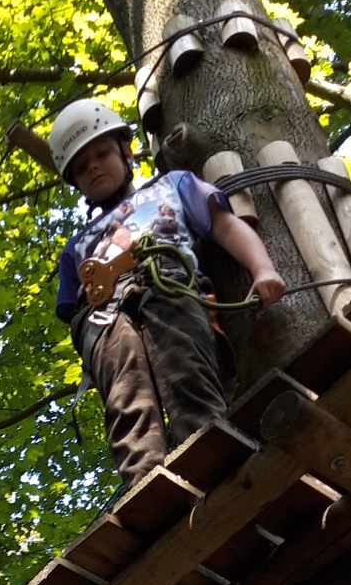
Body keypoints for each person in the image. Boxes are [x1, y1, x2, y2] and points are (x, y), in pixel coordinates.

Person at [29, 98, 286, 488]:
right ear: (76, 182)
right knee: (126, 397)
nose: (93, 167)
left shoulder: (173, 186)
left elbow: (226, 226)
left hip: (168, 287)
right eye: (81, 167)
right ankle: (145, 482)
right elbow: (72, 310)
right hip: (106, 315)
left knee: (186, 370)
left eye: (101, 154)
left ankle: (209, 451)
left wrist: (263, 268)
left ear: (125, 151)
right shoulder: (76, 247)